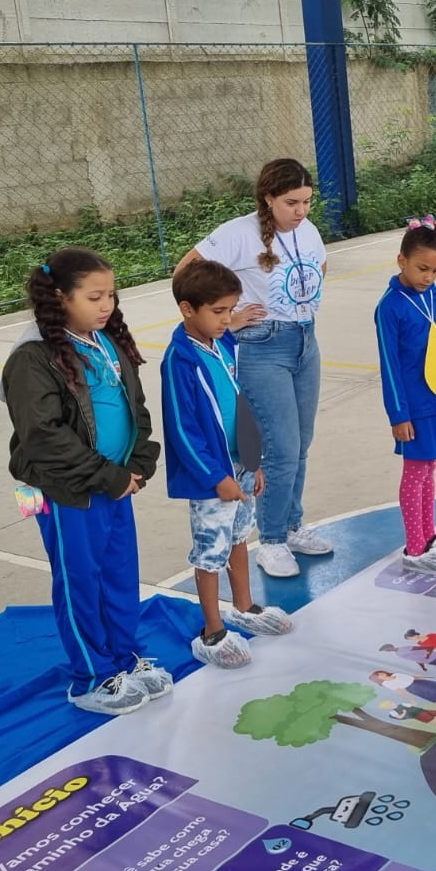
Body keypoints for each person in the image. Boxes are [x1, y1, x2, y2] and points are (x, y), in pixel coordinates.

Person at [1, 248, 169, 715]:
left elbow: (134, 409)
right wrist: (107, 476)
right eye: (94, 296)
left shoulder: (106, 341)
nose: (106, 305)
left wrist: (139, 461)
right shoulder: (34, 357)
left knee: (118, 577)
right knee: (80, 583)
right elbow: (43, 436)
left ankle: (124, 658)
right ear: (60, 297)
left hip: (116, 487)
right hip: (69, 493)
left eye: (111, 295)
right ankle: (90, 677)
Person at [176, 159, 333, 579]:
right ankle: (272, 541)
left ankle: (292, 524)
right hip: (263, 347)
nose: (301, 211)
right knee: (279, 447)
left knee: (301, 442)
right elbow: (185, 273)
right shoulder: (237, 233)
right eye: (291, 202)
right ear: (268, 198)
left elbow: (318, 267)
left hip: (305, 342)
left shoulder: (308, 231)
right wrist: (229, 318)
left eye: (307, 202)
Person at [161, 259, 293, 668]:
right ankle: (213, 627)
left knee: (239, 536)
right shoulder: (179, 361)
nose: (227, 319)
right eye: (218, 311)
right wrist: (215, 477)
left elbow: (238, 407)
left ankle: (243, 605)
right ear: (187, 309)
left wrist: (252, 464)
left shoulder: (222, 344)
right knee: (210, 550)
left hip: (238, 466)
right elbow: (183, 430)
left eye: (229, 309)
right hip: (211, 476)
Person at [375, 218, 436, 573]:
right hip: (413, 407)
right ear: (401, 261)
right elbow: (390, 366)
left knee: (430, 467)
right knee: (415, 471)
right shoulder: (390, 307)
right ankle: (414, 549)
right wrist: (398, 415)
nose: (429, 277)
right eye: (422, 268)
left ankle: (428, 535)